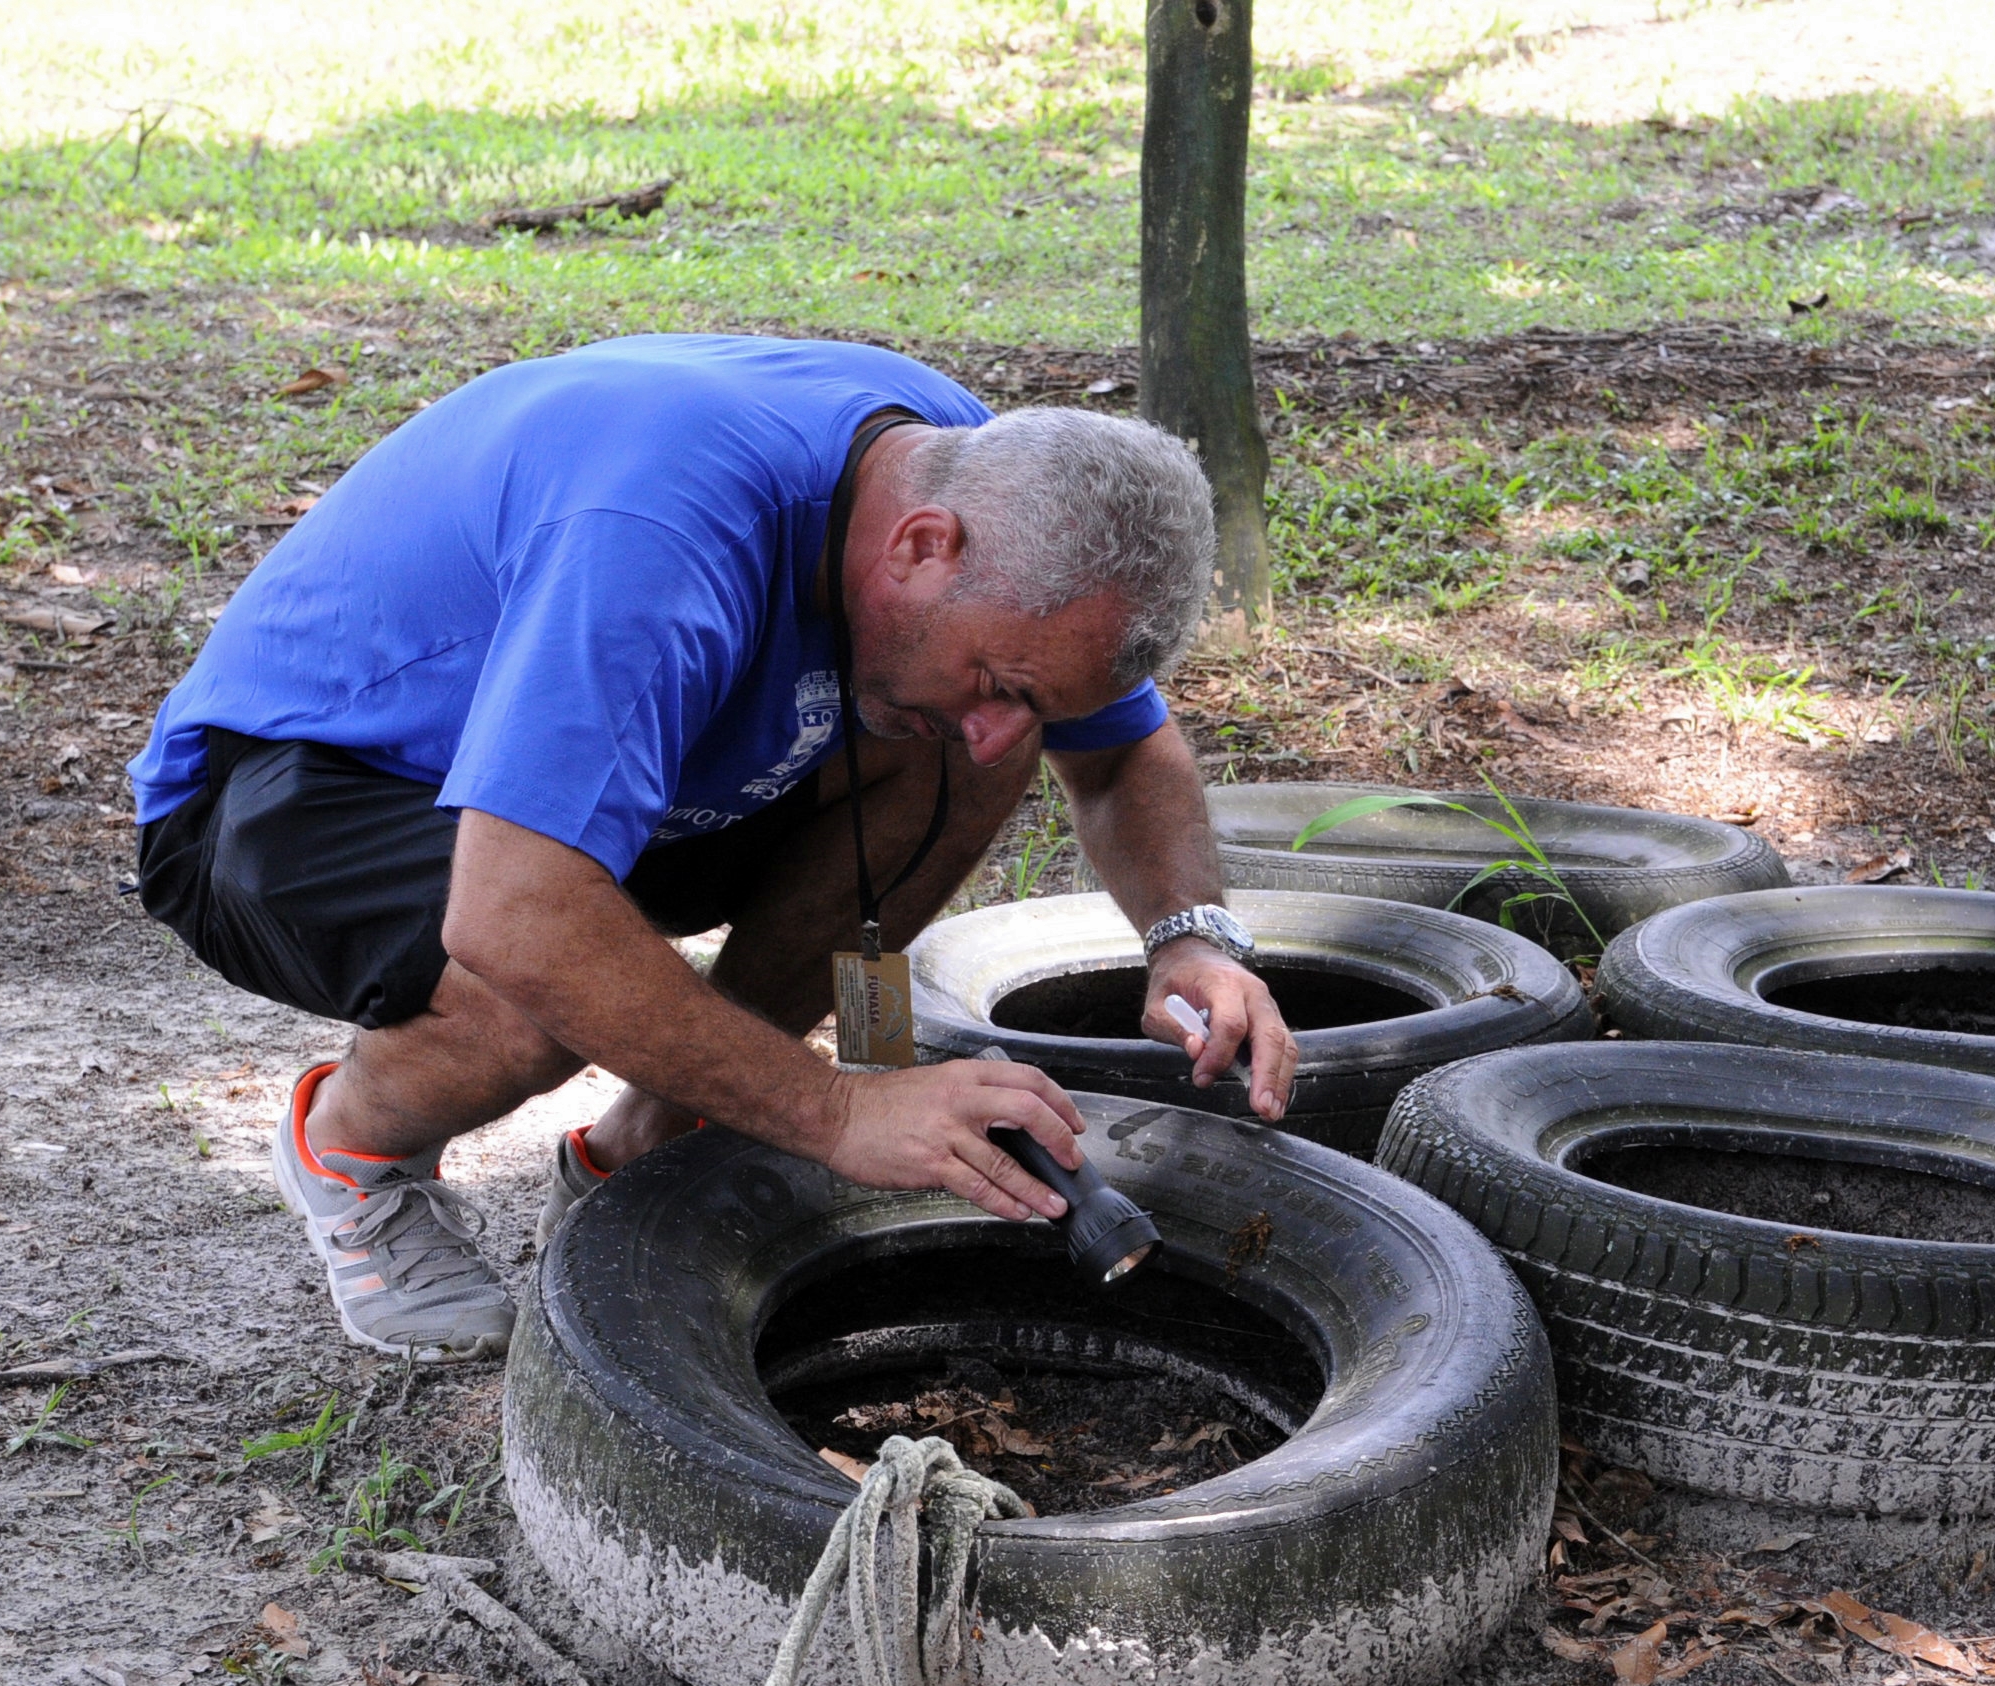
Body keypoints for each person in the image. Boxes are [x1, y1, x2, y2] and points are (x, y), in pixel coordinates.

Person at [126, 334, 1297, 1362]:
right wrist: (837, 1113)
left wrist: (1190, 939)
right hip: (301, 785)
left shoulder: (982, 490)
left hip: (598, 780)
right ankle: (349, 1151)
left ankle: (644, 1137)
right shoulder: (660, 538)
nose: (1009, 728)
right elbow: (517, 913)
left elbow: (1125, 755)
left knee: (953, 756)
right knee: (531, 995)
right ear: (921, 547)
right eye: (1000, 681)